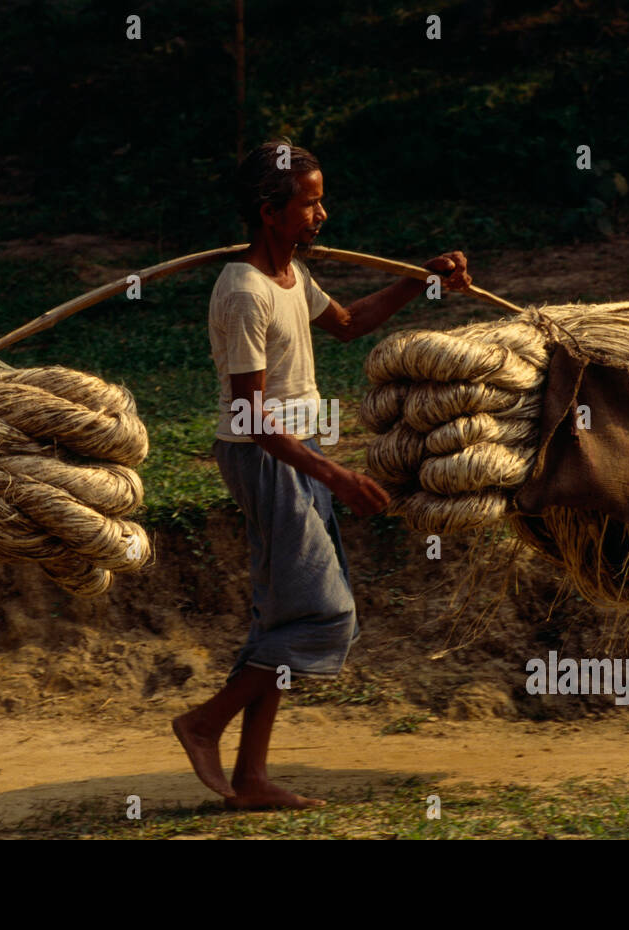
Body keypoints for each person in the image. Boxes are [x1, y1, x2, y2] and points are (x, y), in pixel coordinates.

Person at [172, 139, 472, 809]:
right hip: (267, 455)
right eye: (309, 204)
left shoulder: (292, 278)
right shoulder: (244, 292)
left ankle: (250, 780)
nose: (322, 215)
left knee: (284, 617)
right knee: (326, 614)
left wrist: (416, 281)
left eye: (320, 200)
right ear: (270, 211)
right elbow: (250, 414)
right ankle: (202, 723)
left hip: (297, 449)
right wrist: (334, 476)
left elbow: (347, 324)